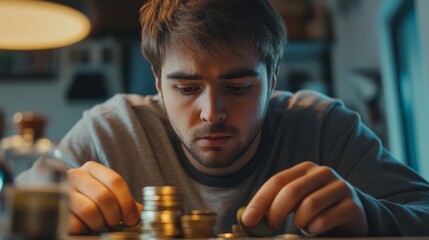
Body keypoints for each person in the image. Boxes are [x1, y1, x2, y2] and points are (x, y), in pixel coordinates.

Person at [30, 0, 429, 236]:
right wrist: (44, 210)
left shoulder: (326, 126)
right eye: (186, 89)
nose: (212, 113)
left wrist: (371, 215)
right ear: (157, 81)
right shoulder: (108, 131)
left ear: (272, 79)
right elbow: (19, 204)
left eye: (238, 87)